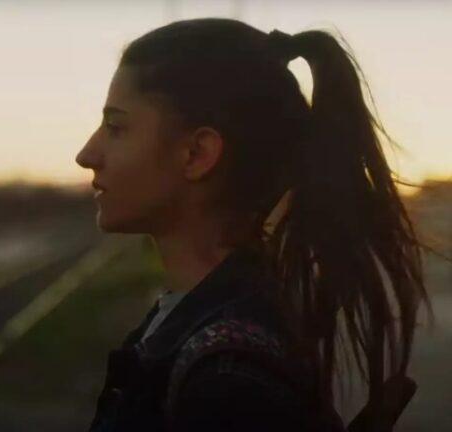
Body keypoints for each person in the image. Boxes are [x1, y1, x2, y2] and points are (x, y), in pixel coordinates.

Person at [75, 18, 433, 431]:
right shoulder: (201, 325)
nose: (86, 155)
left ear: (197, 154)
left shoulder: (229, 383)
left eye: (115, 128)